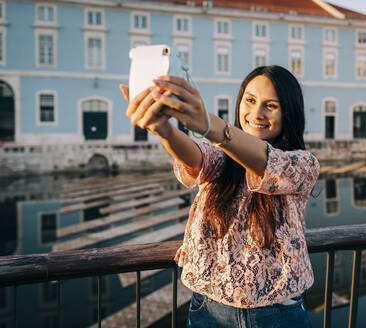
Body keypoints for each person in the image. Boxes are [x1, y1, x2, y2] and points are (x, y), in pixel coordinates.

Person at [120, 65, 319, 328]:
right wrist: (164, 130)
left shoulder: (302, 164)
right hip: (211, 310)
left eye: (271, 105)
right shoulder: (222, 157)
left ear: (289, 113)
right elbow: (196, 156)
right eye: (250, 100)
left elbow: (267, 162)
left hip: (279, 312)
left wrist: (207, 124)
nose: (256, 113)